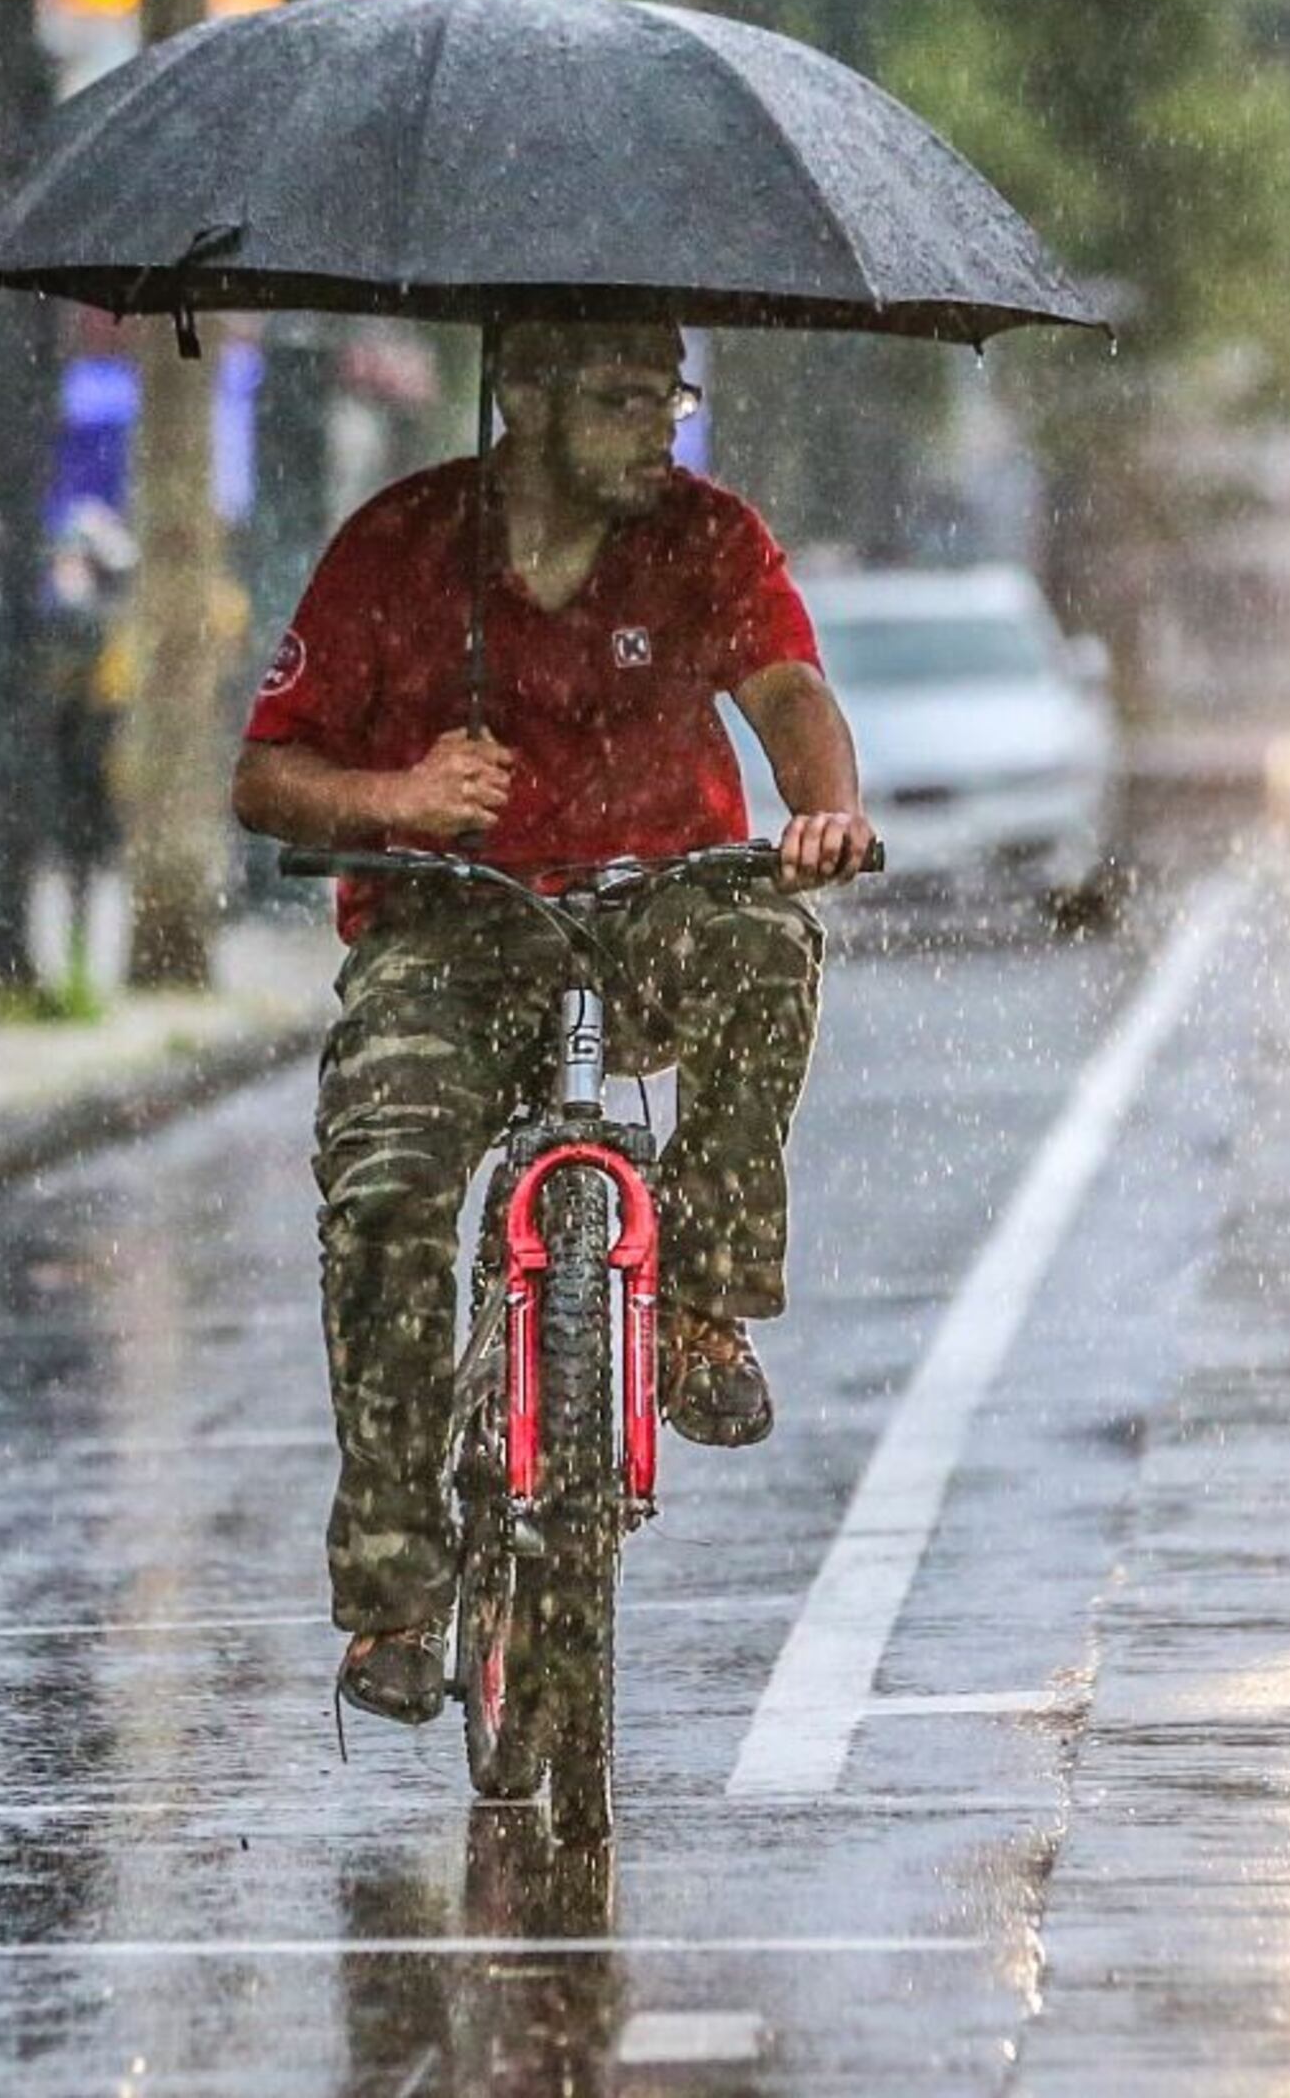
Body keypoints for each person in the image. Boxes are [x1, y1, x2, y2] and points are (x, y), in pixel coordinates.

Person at [232, 319, 879, 1724]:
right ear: (522, 397)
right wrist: (396, 803)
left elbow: (789, 692)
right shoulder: (397, 547)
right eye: (619, 394)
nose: (659, 425)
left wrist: (825, 806)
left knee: (770, 942)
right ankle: (396, 1594)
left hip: (653, 911)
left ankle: (702, 1304)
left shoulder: (710, 539)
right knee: (387, 1190)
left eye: (670, 395)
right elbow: (267, 777)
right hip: (453, 935)